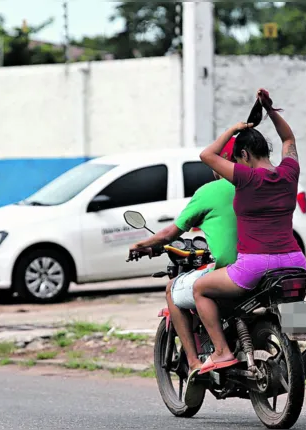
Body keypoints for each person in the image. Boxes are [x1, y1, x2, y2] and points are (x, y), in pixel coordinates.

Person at [194, 88, 306, 375]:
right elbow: (289, 139)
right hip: (296, 261)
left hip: (255, 264)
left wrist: (233, 129)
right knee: (290, 299)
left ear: (243, 154)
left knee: (200, 289)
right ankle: (300, 341)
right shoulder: (289, 171)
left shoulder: (245, 177)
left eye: (236, 157)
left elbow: (207, 154)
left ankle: (221, 351)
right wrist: (270, 111)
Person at [128, 138, 239, 404]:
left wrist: (144, 244)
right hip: (285, 264)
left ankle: (193, 363)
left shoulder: (212, 191)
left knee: (175, 289)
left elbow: (170, 232)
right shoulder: (266, 184)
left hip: (238, 270)